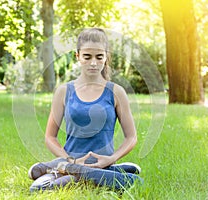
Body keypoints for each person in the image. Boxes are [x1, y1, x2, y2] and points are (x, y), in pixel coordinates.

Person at [28, 28, 143, 192]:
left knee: (137, 183)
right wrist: (70, 161)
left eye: (99, 57)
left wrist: (111, 158)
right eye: (87, 57)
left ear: (106, 57)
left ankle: (81, 171)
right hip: (70, 163)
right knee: (37, 188)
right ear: (78, 56)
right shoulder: (64, 91)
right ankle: (112, 173)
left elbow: (131, 137)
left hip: (102, 164)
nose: (94, 63)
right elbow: (50, 137)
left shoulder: (116, 92)